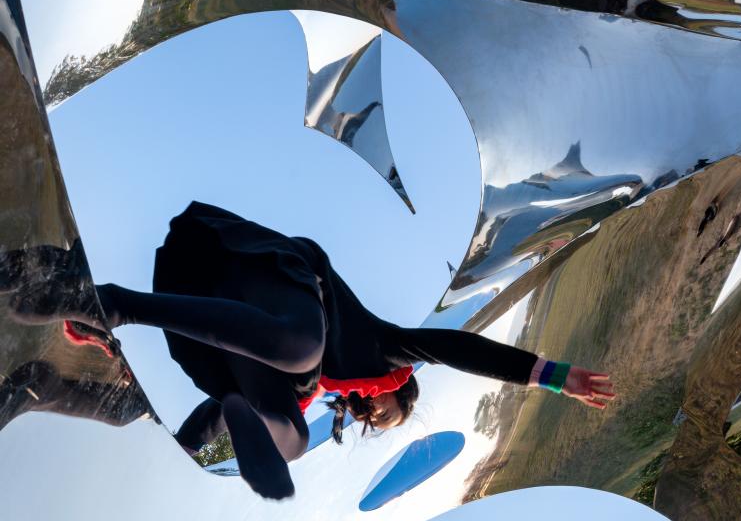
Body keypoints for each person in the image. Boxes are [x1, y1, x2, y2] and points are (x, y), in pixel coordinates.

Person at [81, 201, 615, 499]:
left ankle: (251, 427)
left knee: (289, 438)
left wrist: (177, 453)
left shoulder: (318, 392)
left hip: (221, 312)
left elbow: (218, 413)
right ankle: (117, 305)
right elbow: (454, 348)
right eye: (389, 414)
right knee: (301, 351)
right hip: (272, 277)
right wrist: (548, 374)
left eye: (376, 424)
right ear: (399, 389)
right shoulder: (386, 351)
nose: (375, 417)